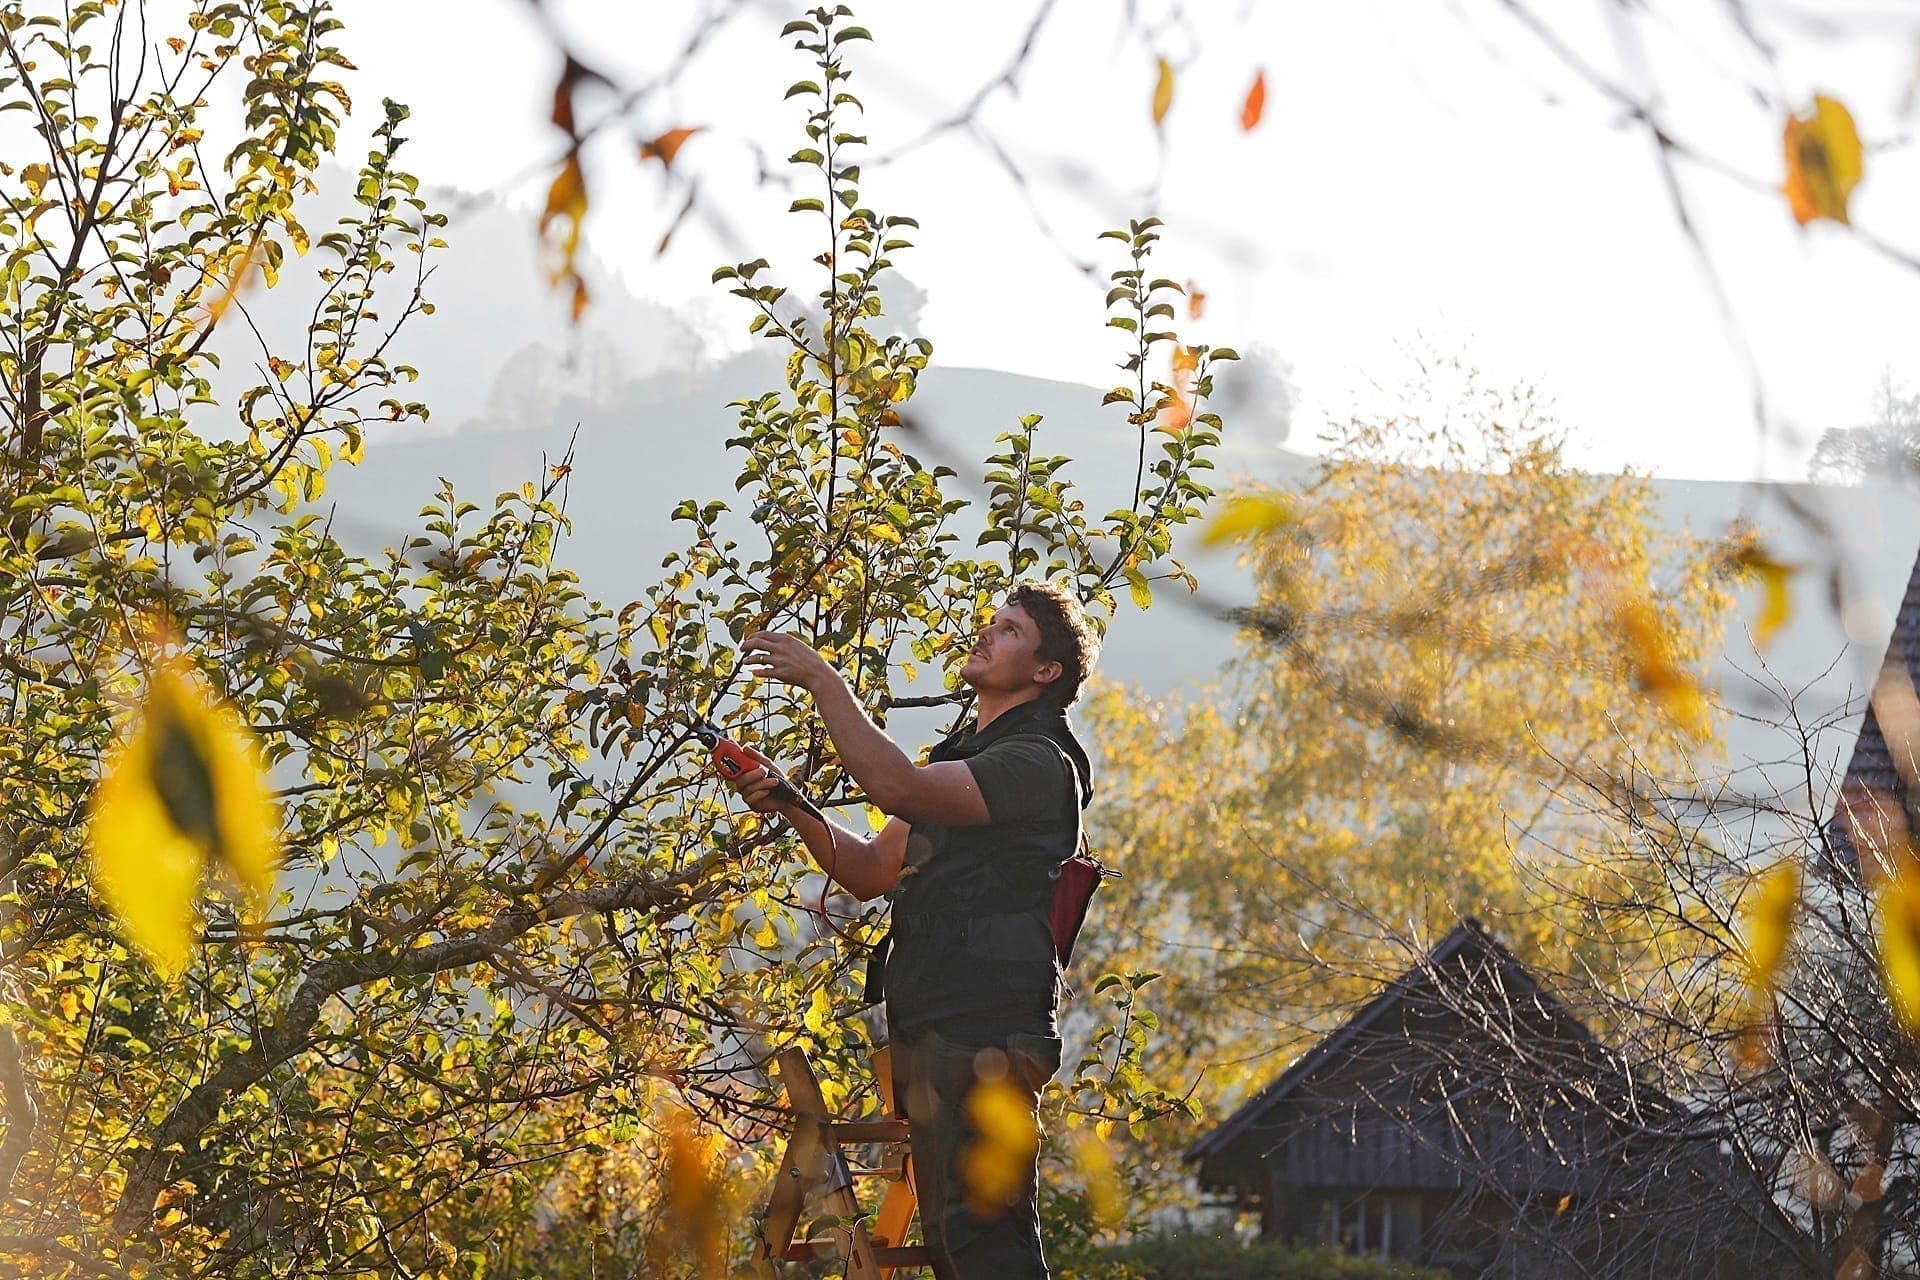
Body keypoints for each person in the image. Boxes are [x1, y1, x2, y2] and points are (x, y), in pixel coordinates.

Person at [735, 579, 1098, 1280]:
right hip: (941, 1019)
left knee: (985, 1245)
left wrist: (824, 681)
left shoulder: (1035, 762)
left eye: (1011, 630)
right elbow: (871, 869)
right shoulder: (967, 757)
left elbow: (897, 786)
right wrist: (789, 800)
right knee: (958, 1245)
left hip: (986, 1029)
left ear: (1046, 671)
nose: (987, 632)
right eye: (993, 621)